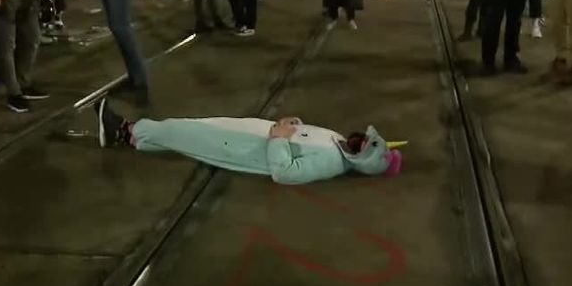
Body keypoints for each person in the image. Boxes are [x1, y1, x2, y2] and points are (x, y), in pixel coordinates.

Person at [93, 99, 403, 186]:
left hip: (243, 147)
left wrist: (279, 138)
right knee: (189, 131)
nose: (358, 139)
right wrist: (294, 124)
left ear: (359, 159)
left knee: (181, 131)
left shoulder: (332, 163)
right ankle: (132, 138)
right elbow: (306, 137)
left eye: (363, 144)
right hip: (249, 132)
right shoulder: (337, 142)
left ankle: (125, 128)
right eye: (363, 137)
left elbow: (284, 173)